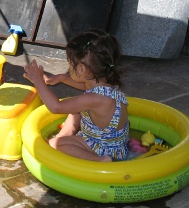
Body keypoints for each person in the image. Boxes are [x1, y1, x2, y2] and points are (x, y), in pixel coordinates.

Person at [23, 29, 129, 162]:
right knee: (76, 109)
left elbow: (56, 107)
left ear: (81, 69)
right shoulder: (106, 86)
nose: (69, 68)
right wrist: (62, 78)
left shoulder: (93, 99)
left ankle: (99, 160)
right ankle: (64, 135)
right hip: (115, 145)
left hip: (102, 148)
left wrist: (38, 81)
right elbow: (85, 86)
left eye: (70, 65)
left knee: (54, 144)